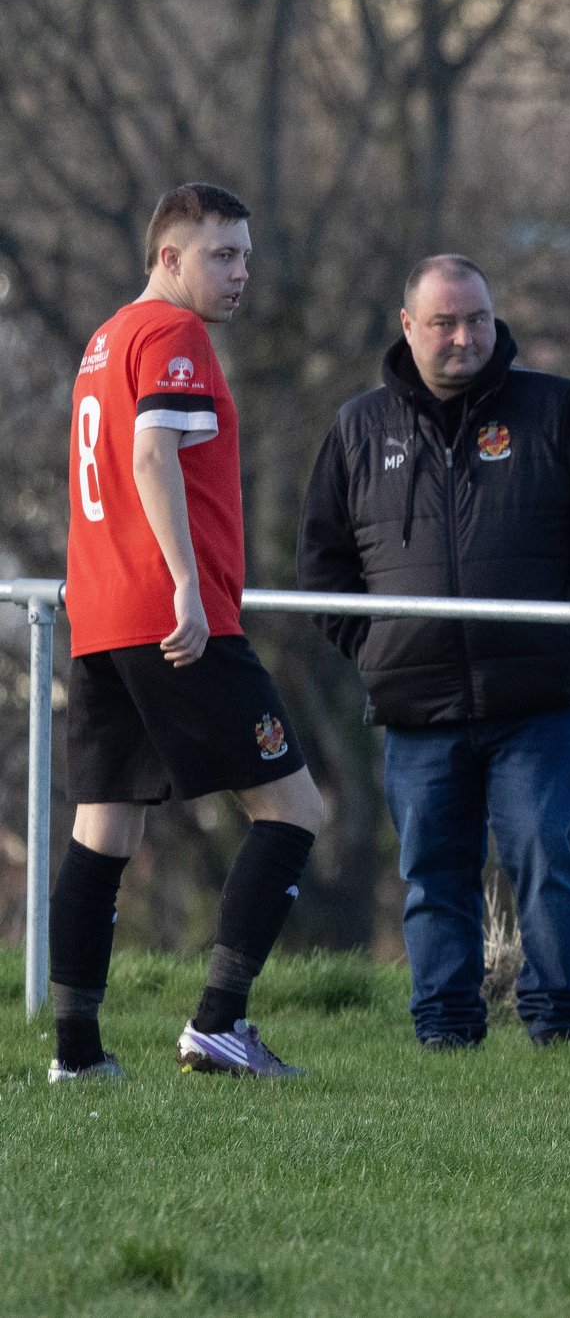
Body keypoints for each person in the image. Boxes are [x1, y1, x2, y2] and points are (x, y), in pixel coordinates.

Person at [298, 255, 570, 1049]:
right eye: (447, 323)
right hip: (417, 708)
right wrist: (383, 648)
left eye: (479, 319)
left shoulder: (554, 409)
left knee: (541, 857)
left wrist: (557, 633)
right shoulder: (359, 428)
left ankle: (557, 1025)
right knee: (432, 875)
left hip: (540, 705)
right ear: (408, 327)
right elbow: (321, 570)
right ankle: (446, 1031)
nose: (465, 337)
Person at [50, 183, 329, 1081]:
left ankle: (78, 1057)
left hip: (98, 617)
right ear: (168, 258)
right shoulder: (174, 335)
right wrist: (186, 586)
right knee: (293, 807)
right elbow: (149, 454)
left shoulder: (105, 340)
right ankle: (219, 1022)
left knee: (105, 833)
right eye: (222, 254)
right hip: (173, 618)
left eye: (246, 254)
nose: (241, 272)